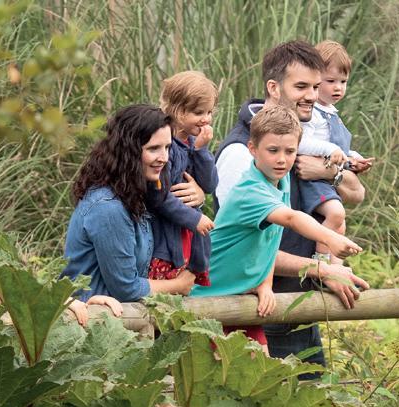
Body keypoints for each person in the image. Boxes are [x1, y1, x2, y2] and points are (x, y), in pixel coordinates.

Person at [214, 40, 370, 376]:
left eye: (315, 86)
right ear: (274, 87)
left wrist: (327, 171)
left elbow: (357, 193)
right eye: (301, 87)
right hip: (256, 311)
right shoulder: (241, 154)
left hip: (299, 306)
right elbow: (243, 248)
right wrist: (321, 269)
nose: (312, 96)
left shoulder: (297, 142)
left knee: (315, 393)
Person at [191, 105, 361, 355]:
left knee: (261, 372)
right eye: (273, 151)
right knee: (213, 374)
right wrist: (330, 238)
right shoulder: (251, 190)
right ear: (252, 149)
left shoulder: (280, 180)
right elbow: (291, 218)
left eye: (289, 151)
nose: (282, 159)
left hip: (241, 297)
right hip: (209, 297)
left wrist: (264, 284)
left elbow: (269, 241)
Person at [61, 104, 196, 304]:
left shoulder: (134, 193)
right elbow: (126, 288)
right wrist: (178, 285)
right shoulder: (108, 207)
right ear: (129, 151)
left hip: (121, 317)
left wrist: (198, 195)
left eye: (167, 147)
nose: (164, 158)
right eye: (153, 148)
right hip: (92, 316)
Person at [299, 40, 375, 265]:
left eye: (343, 82)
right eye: (330, 81)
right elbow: (302, 142)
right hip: (313, 181)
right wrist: (330, 149)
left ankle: (335, 269)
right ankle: (321, 263)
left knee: (340, 224)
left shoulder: (331, 112)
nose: (338, 88)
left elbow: (339, 146)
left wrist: (354, 158)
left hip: (327, 178)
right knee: (336, 215)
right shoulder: (311, 112)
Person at [146, 71, 218, 287]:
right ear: (177, 111)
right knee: (168, 291)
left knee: (186, 287)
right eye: (198, 112)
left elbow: (209, 184)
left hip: (187, 237)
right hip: (166, 240)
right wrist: (194, 219)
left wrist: (201, 150)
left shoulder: (194, 143)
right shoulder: (166, 149)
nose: (206, 119)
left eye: (209, 112)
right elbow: (158, 196)